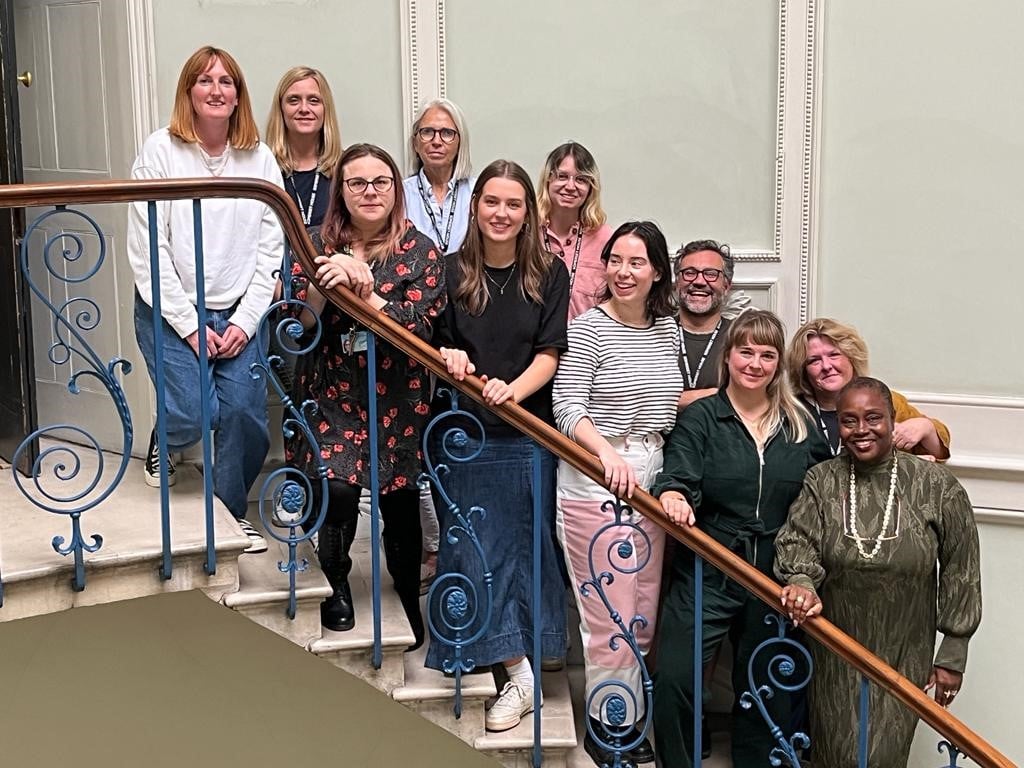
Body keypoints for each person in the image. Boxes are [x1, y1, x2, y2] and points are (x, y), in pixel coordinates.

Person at [425, 159, 569, 733]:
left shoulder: (548, 273)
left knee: (521, 551)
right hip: (462, 435)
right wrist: (450, 357)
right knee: (473, 553)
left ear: (527, 211)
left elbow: (550, 354)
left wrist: (512, 392)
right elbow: (434, 339)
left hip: (527, 431)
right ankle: (518, 671)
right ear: (475, 206)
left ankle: (523, 670)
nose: (502, 214)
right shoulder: (451, 269)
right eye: (491, 202)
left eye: (513, 204)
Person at [650, 309, 831, 767]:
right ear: (727, 357)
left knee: (769, 682)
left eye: (767, 354)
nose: (755, 363)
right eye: (745, 351)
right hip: (708, 564)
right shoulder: (703, 418)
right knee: (676, 676)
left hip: (776, 570)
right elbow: (677, 475)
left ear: (778, 364)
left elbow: (826, 491)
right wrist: (673, 494)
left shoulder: (801, 423)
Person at [775, 377, 981, 768]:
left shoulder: (936, 485)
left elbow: (961, 568)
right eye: (849, 420)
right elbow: (797, 540)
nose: (861, 430)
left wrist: (954, 651)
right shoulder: (823, 479)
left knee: (881, 755)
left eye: (873, 418)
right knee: (836, 752)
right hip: (835, 644)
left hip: (904, 647)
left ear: (892, 419)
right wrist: (801, 581)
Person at [285, 144, 446, 644]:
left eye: (381, 182)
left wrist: (366, 290)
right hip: (332, 387)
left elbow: (420, 329)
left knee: (399, 503)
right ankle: (335, 585)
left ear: (396, 191)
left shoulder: (421, 251)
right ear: (341, 192)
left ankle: (405, 595)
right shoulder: (312, 241)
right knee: (336, 490)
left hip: (399, 397)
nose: (369, 192)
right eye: (357, 183)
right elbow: (298, 324)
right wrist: (320, 284)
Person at [127, 45, 284, 554]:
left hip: (239, 307)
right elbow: (149, 248)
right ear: (188, 92)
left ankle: (227, 517)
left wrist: (245, 320)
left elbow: (271, 247)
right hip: (169, 308)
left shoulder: (258, 158)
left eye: (226, 82)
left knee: (243, 415)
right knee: (194, 413)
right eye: (204, 81)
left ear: (238, 96)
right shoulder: (160, 151)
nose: (216, 91)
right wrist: (190, 324)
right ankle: (165, 438)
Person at [552, 221, 682, 766]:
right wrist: (604, 454)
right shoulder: (587, 328)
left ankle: (631, 723)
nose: (624, 273)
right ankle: (610, 733)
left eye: (637, 263)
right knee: (608, 614)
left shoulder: (667, 329)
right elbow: (566, 406)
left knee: (643, 614)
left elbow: (671, 406)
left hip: (651, 474)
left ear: (656, 272)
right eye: (616, 261)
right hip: (593, 477)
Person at [786, 318, 951, 460]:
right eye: (814, 360)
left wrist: (925, 427)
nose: (827, 366)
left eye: (834, 355)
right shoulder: (791, 412)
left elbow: (936, 453)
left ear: (851, 357)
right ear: (803, 370)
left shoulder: (885, 400)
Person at [536, 142, 613, 321]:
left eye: (581, 179)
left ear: (591, 187)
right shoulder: (528, 234)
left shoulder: (607, 239)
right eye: (562, 176)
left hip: (589, 344)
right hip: (535, 344)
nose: (570, 186)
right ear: (548, 179)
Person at [265, 66, 342, 231]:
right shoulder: (264, 168)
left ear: (325, 109)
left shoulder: (345, 169)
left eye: (314, 100)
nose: (304, 109)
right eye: (294, 100)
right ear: (281, 109)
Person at [403, 98, 474, 255]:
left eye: (447, 133)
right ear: (415, 143)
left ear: (460, 143)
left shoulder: (478, 192)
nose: (436, 141)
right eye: (427, 132)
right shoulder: (398, 194)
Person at [674, 239, 736, 410]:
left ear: (726, 286)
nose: (699, 281)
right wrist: (717, 395)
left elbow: (754, 401)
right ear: (677, 282)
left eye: (710, 273)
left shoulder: (742, 337)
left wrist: (671, 401)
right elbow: (639, 404)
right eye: (689, 272)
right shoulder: (652, 334)